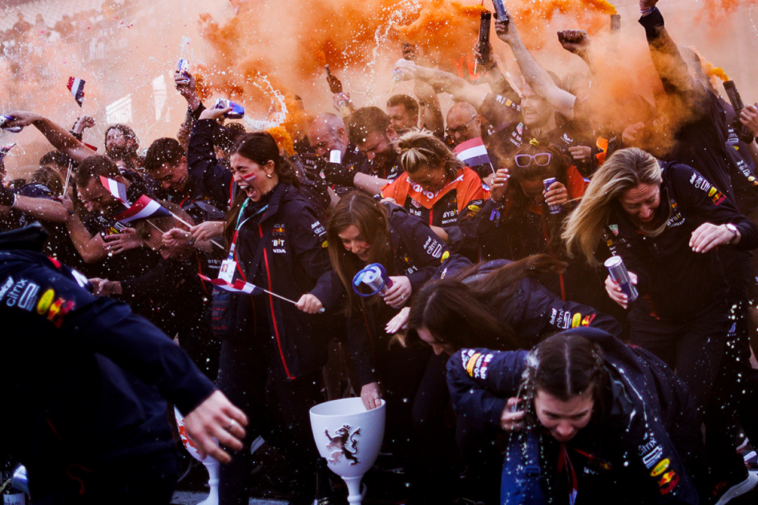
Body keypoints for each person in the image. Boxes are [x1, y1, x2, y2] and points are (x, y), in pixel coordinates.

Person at [0, 223, 247, 505]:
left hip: (117, 452)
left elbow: (101, 319)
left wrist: (192, 391)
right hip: (55, 453)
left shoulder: (9, 277)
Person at [562, 147, 758, 502]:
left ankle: (709, 483)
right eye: (633, 206)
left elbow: (748, 227)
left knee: (687, 402)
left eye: (650, 200)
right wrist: (621, 284)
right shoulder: (608, 212)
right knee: (645, 403)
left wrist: (726, 231)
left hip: (705, 312)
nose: (645, 212)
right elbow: (634, 272)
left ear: (660, 184)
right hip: (652, 319)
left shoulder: (681, 178)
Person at [402, 255, 621, 504]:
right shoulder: (448, 289)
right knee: (426, 415)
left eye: (439, 343)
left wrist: (566, 367)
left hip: (519, 364)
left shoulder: (533, 306)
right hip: (472, 356)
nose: (436, 352)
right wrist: (415, 306)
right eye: (431, 343)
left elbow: (604, 327)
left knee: (470, 438)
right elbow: (453, 260)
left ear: (459, 326)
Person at [217, 132, 341, 505]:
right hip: (243, 331)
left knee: (300, 425)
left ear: (269, 167)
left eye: (244, 170)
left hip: (289, 334)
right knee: (231, 421)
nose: (237, 178)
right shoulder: (242, 203)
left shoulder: (297, 209)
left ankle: (314, 491)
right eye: (233, 170)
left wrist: (318, 295)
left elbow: (332, 270)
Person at [447, 329, 705, 505]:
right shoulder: (520, 367)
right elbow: (457, 365)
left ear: (595, 397)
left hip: (667, 414)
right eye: (552, 415)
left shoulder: (633, 420)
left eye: (577, 415)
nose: (564, 429)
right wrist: (494, 410)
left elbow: (678, 498)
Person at [89, 202, 221, 379]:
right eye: (158, 250)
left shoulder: (215, 223)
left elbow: (228, 244)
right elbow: (159, 279)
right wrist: (114, 287)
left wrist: (192, 239)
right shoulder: (175, 251)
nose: (165, 255)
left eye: (164, 247)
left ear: (181, 226)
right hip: (209, 319)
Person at [381, 130, 488, 261]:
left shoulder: (468, 180)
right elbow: (377, 206)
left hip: (457, 263)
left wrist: (415, 227)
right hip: (417, 265)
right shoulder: (407, 179)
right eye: (416, 182)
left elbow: (469, 235)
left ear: (442, 161)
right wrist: (385, 208)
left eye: (427, 180)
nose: (423, 187)